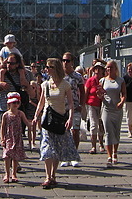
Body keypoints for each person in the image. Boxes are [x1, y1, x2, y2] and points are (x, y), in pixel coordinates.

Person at [32, 57, 79, 189]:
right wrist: (36, 116)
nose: (46, 69)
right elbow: (42, 102)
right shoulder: (45, 84)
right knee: (47, 148)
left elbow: (70, 103)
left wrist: (70, 118)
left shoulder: (65, 85)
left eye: (49, 67)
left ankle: (53, 175)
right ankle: (47, 176)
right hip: (47, 120)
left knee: (57, 147)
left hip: (60, 119)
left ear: (55, 68)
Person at [0, 53, 29, 159]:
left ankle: (14, 157)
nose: (8, 65)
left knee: (16, 135)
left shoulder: (23, 74)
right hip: (4, 108)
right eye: (7, 62)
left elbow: (32, 93)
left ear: (17, 64)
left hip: (18, 109)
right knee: (6, 134)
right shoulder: (0, 74)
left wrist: (22, 77)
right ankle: (9, 157)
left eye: (11, 63)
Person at [100, 60, 126, 166]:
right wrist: (100, 96)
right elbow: (100, 93)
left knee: (116, 132)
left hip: (117, 110)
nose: (109, 69)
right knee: (108, 132)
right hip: (106, 109)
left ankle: (115, 152)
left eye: (111, 67)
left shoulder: (120, 80)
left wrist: (122, 102)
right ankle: (109, 155)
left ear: (115, 69)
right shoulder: (102, 81)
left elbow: (124, 94)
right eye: (107, 68)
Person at [60, 52, 84, 167]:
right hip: (61, 108)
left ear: (72, 63)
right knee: (64, 132)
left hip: (74, 107)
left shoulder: (77, 76)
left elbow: (83, 92)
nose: (65, 63)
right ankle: (65, 156)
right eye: (64, 60)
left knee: (75, 131)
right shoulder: (59, 75)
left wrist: (81, 105)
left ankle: (74, 155)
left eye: (67, 61)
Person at [0, 92, 30, 183]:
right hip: (9, 137)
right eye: (14, 103)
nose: (16, 105)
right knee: (7, 155)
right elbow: (2, 127)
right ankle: (7, 173)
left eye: (17, 103)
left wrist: (32, 124)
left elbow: (27, 123)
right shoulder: (6, 115)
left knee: (15, 156)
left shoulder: (20, 113)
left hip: (17, 138)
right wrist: (2, 139)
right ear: (9, 104)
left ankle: (14, 174)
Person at [84, 62, 105, 154]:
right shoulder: (90, 80)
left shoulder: (105, 80)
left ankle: (101, 144)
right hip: (91, 104)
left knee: (101, 125)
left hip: (102, 105)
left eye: (99, 69)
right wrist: (83, 105)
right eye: (96, 68)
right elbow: (86, 93)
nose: (97, 70)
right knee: (93, 124)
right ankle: (93, 146)